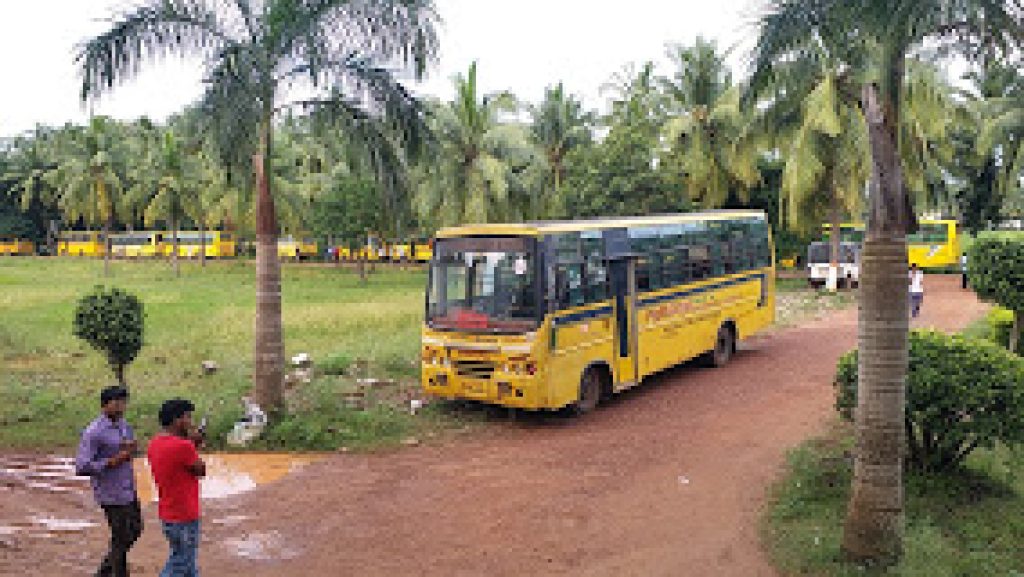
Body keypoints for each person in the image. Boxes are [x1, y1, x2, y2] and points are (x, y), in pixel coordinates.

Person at [75, 386, 142, 577]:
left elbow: (129, 452)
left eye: (124, 402)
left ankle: (105, 572)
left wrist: (132, 449)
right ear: (105, 405)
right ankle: (117, 573)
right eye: (117, 402)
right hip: (110, 492)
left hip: (128, 488)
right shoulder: (94, 432)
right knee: (122, 536)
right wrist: (111, 461)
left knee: (134, 530)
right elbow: (82, 466)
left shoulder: (123, 425)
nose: (121, 406)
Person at [148, 399, 206, 577]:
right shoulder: (183, 447)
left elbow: (177, 464)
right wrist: (193, 446)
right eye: (188, 417)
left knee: (187, 563)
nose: (190, 422)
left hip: (168, 513)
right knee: (181, 563)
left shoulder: (155, 443)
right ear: (177, 420)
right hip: (185, 514)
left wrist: (190, 445)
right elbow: (201, 470)